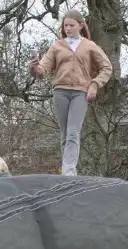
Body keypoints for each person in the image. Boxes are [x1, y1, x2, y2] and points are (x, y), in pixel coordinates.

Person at [28, 10, 114, 176]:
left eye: (71, 25)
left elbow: (107, 67)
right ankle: (66, 170)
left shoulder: (90, 46)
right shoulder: (57, 46)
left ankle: (69, 171)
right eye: (65, 25)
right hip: (60, 91)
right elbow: (42, 70)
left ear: (81, 25)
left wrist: (95, 84)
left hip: (80, 93)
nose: (67, 28)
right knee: (64, 133)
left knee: (73, 132)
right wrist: (34, 67)